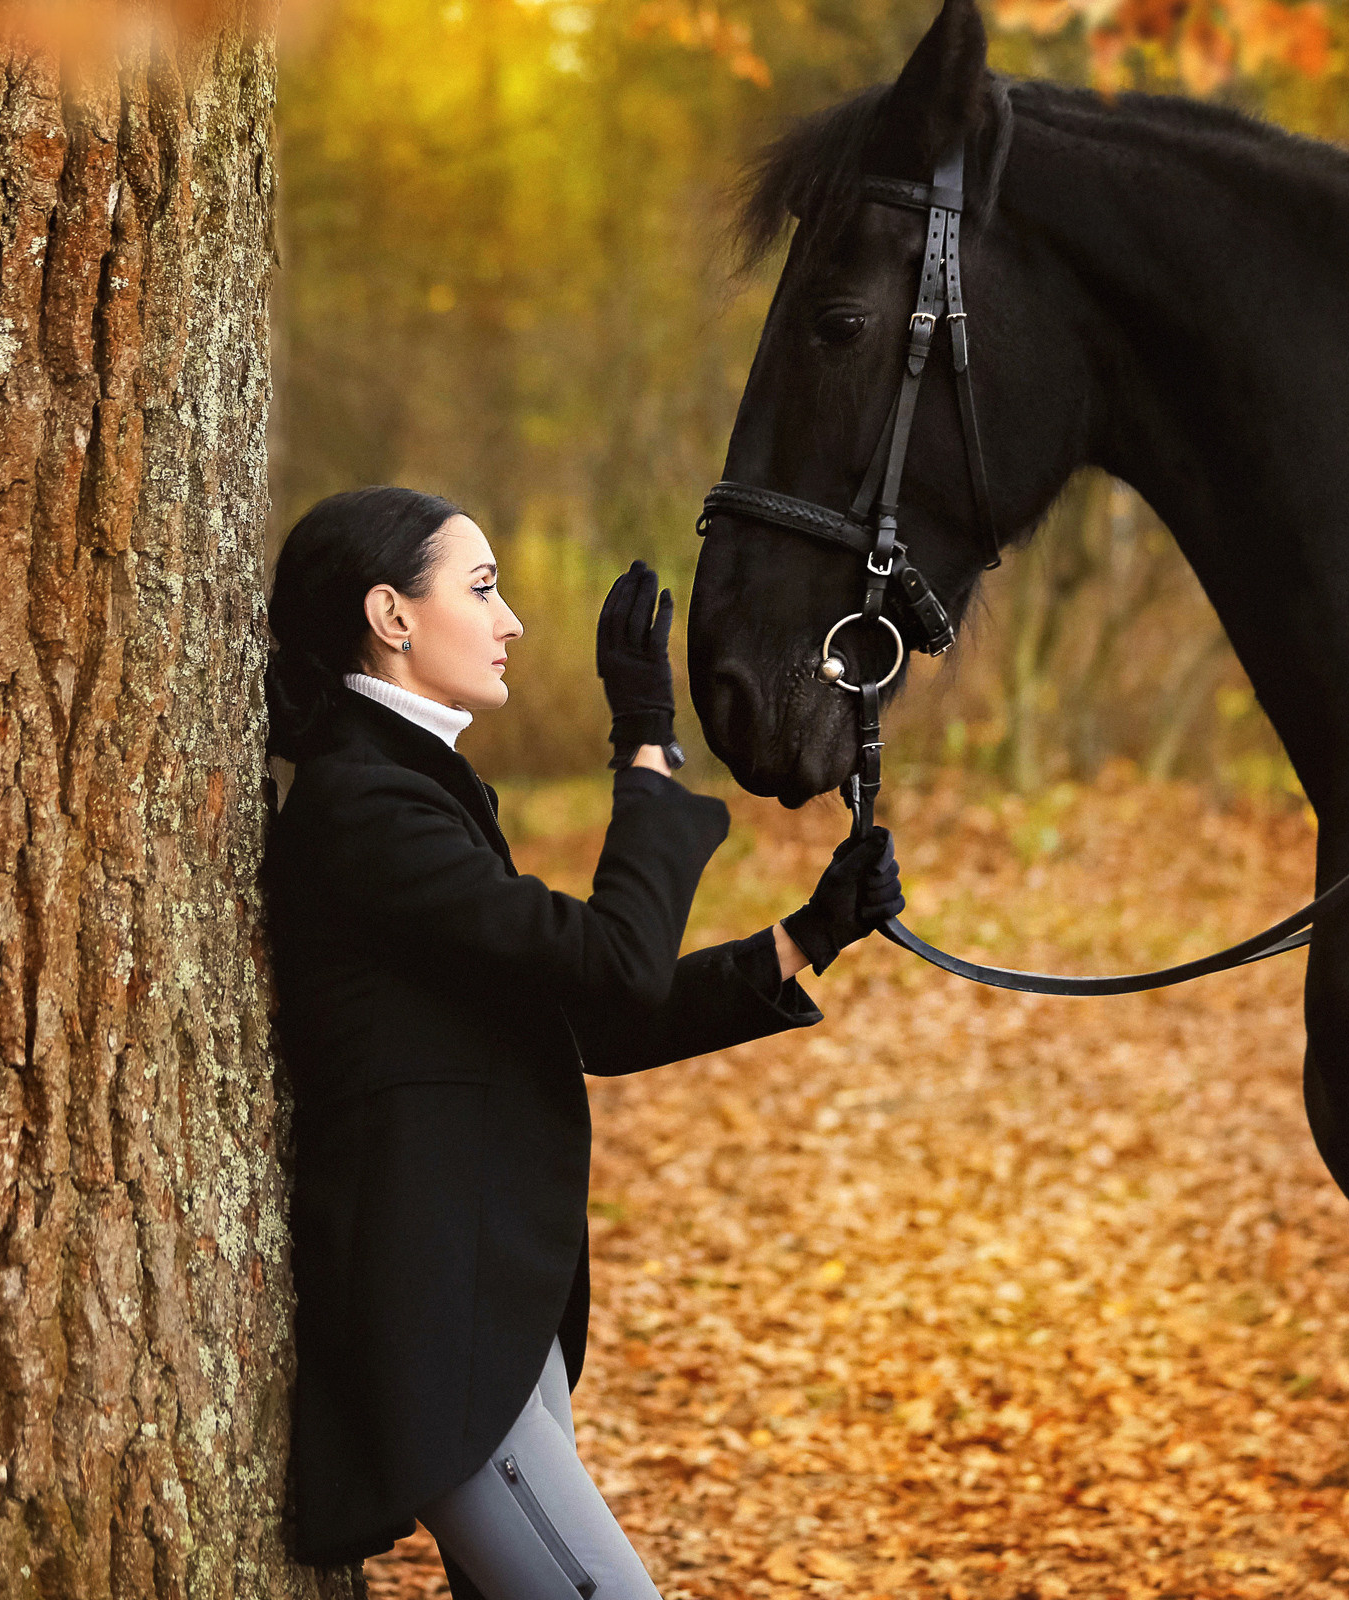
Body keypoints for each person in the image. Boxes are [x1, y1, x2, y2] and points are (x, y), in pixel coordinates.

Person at [264, 486, 905, 1599]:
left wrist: (807, 937)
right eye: (482, 587)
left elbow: (590, 1013)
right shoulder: (365, 808)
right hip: (446, 1322)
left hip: (495, 1314)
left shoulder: (409, 792)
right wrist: (644, 746)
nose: (511, 619)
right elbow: (610, 962)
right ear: (391, 614)